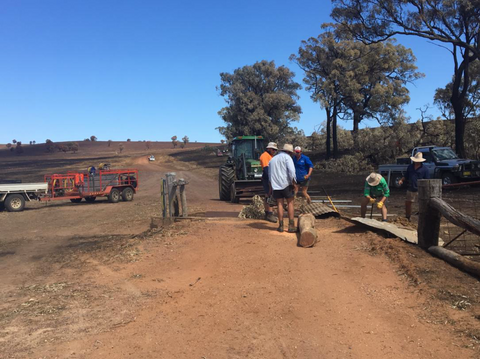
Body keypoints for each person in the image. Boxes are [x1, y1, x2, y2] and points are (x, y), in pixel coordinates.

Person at [268, 144, 297, 233]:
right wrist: (294, 182)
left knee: (279, 204)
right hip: (286, 184)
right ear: (288, 152)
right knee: (290, 203)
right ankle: (291, 225)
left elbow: (269, 175)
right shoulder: (287, 158)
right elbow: (291, 171)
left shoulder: (272, 159)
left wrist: (271, 186)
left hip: (276, 185)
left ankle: (280, 225)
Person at [398, 152, 430, 221]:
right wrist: (401, 180)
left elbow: (427, 180)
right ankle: (408, 217)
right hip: (411, 187)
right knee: (408, 202)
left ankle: (423, 217)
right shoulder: (410, 167)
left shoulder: (425, 169)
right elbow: (406, 175)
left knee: (422, 204)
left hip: (420, 189)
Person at [259, 142, 278, 223]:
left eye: (275, 150)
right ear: (268, 148)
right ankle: (269, 213)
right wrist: (271, 180)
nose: (274, 151)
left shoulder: (270, 156)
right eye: (273, 149)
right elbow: (267, 169)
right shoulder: (265, 156)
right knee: (269, 195)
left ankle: (268, 213)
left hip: (269, 177)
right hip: (268, 178)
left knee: (269, 194)